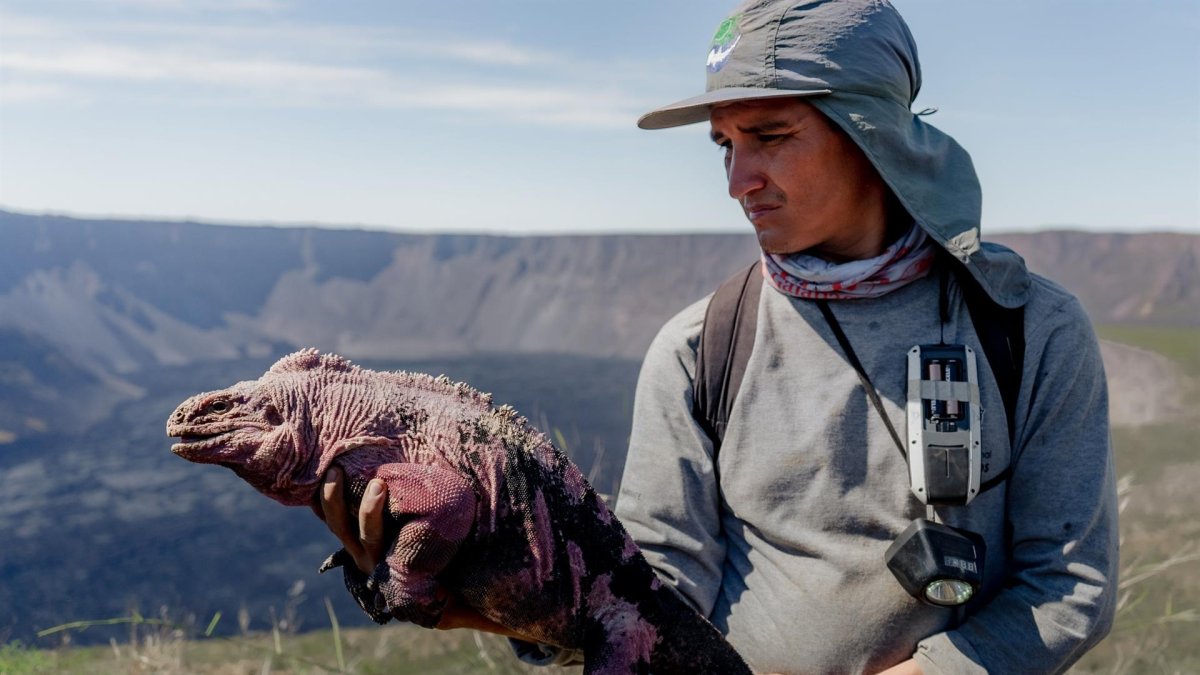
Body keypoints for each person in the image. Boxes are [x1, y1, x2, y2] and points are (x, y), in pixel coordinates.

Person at [316, 1, 1119, 672]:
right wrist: (495, 588)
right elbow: (660, 586)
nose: (738, 182)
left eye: (769, 136)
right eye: (725, 146)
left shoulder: (1026, 329)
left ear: (876, 135)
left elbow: (1071, 582)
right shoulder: (702, 348)